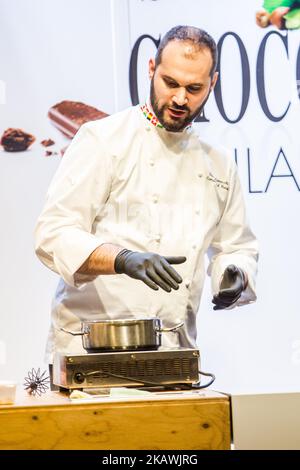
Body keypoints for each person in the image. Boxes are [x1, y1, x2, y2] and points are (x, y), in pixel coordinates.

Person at [35, 25, 259, 368]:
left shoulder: (219, 164)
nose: (181, 99)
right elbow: (54, 234)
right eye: (170, 83)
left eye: (194, 88)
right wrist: (122, 259)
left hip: (174, 351)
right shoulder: (103, 140)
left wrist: (234, 275)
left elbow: (236, 246)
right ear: (152, 69)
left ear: (212, 84)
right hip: (89, 348)